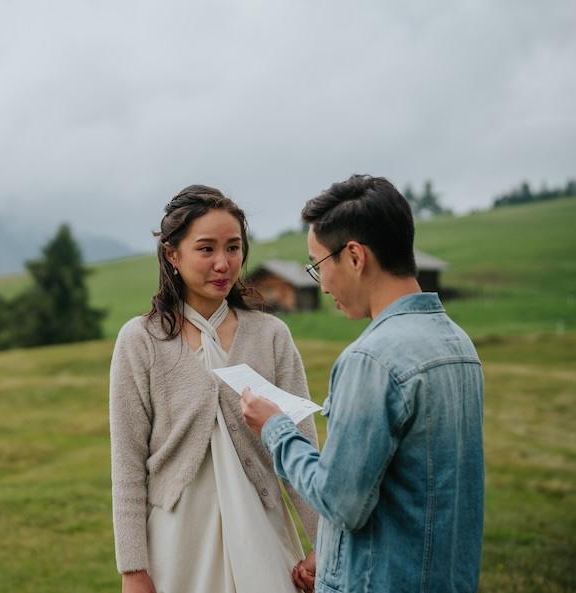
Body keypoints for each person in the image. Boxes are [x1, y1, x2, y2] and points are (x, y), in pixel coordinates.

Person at [241, 175, 485, 593]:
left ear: (354, 256)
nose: (323, 283)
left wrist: (276, 429)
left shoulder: (371, 359)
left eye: (318, 265)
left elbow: (340, 501)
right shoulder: (458, 344)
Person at [109, 185, 319, 593]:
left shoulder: (271, 335)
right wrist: (133, 569)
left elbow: (301, 450)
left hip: (263, 534)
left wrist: (325, 542)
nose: (223, 263)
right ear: (173, 254)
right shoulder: (140, 340)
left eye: (234, 248)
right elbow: (127, 464)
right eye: (206, 249)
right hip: (177, 546)